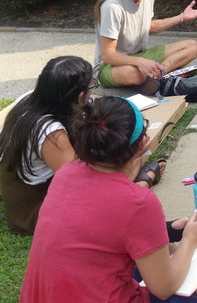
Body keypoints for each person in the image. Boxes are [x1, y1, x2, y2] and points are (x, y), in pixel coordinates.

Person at [20, 96, 197, 303]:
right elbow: (164, 287)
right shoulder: (138, 201)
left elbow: (103, 232)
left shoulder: (66, 174)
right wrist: (190, 240)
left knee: (168, 248)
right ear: (143, 143)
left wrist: (168, 230)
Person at [0, 56, 166, 236]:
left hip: (31, 192)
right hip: (34, 213)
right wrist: (133, 156)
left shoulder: (30, 100)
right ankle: (144, 180)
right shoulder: (51, 133)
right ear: (80, 96)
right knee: (122, 170)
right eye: (91, 88)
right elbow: (82, 186)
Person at [93, 0, 197, 95]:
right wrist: (140, 63)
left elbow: (148, 27)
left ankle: (157, 75)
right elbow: (108, 55)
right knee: (134, 73)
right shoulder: (112, 7)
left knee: (192, 46)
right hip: (110, 66)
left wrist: (182, 17)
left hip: (140, 55)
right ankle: (147, 76)